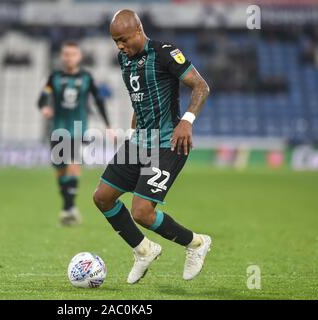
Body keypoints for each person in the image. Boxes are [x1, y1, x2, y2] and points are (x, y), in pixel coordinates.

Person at [92, 9, 212, 284]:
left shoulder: (165, 52)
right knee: (102, 197)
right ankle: (143, 250)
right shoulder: (125, 59)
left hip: (169, 142)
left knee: (142, 212)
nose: (119, 46)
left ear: (138, 31)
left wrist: (187, 121)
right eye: (115, 41)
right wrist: (133, 133)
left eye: (123, 39)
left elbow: (201, 86)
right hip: (139, 142)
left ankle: (195, 244)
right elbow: (140, 100)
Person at [38, 41, 110, 226]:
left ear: (79, 57)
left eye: (72, 54)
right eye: (66, 54)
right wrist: (45, 107)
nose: (69, 57)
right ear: (62, 57)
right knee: (60, 170)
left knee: (72, 163)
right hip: (57, 129)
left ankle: (69, 210)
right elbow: (42, 98)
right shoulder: (53, 78)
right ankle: (68, 207)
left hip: (79, 129)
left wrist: (107, 125)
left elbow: (98, 100)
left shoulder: (86, 77)